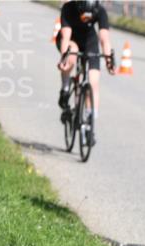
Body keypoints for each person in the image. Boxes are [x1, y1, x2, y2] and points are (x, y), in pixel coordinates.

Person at [57, 0, 114, 146]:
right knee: (72, 54)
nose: (86, 19)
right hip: (71, 40)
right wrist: (64, 58)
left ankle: (89, 124)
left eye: (89, 16)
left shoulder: (100, 11)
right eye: (83, 16)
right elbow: (66, 37)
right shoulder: (68, 8)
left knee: (93, 82)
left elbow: (104, 39)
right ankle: (65, 89)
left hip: (89, 41)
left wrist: (109, 60)